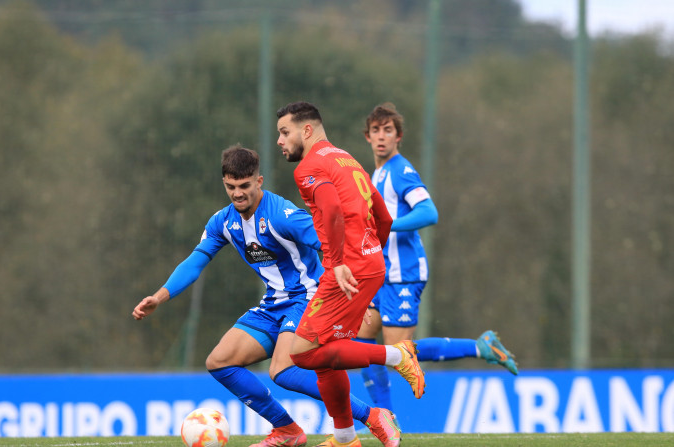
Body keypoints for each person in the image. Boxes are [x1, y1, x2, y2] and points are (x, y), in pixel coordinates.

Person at [132, 145, 403, 447]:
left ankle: (374, 415)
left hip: (307, 299)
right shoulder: (223, 221)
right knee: (220, 362)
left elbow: (331, 242)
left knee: (283, 370)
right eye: (231, 187)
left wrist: (353, 293)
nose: (237, 193)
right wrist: (160, 296)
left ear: (259, 182)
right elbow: (196, 260)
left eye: (245, 186)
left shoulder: (283, 215)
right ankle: (287, 430)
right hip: (273, 304)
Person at [276, 101, 425, 447]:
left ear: (307, 130)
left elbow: (330, 208)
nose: (281, 141)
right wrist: (371, 257)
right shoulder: (347, 159)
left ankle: (398, 356)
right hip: (369, 265)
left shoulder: (309, 168)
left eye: (285, 133)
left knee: (301, 354)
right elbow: (384, 219)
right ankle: (345, 437)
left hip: (347, 268)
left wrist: (341, 259)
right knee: (328, 352)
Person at [355, 102, 518, 414]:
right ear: (367, 136)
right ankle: (384, 418)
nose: (381, 137)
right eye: (375, 130)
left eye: (387, 130)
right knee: (361, 345)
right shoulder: (376, 174)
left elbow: (429, 212)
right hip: (380, 274)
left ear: (398, 137)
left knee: (397, 353)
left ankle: (481, 347)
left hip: (405, 274)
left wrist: (387, 226)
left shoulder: (400, 171)